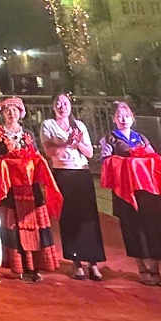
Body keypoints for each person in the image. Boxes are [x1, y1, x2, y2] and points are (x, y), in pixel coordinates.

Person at [99, 101, 161, 286]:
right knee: (134, 229)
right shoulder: (110, 139)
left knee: (154, 226)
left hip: (147, 190)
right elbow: (106, 161)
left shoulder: (141, 138)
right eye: (119, 116)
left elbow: (153, 158)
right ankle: (142, 268)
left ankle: (155, 268)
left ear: (132, 118)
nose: (123, 119)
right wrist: (127, 163)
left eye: (126, 116)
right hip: (126, 190)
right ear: (114, 119)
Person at [0, 95, 62, 281]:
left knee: (34, 224)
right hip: (10, 187)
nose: (11, 113)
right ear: (2, 113)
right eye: (8, 110)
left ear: (20, 113)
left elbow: (35, 155)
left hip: (30, 187)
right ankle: (20, 266)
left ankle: (35, 266)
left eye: (15, 110)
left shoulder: (27, 133)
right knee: (14, 226)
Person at [40, 92, 105, 281]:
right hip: (63, 173)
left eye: (65, 103)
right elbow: (50, 152)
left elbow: (89, 152)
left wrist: (77, 144)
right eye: (58, 103)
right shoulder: (48, 125)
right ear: (53, 106)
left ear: (70, 106)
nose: (62, 107)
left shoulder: (79, 125)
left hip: (82, 172)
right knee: (69, 217)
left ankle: (93, 262)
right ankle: (76, 262)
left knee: (89, 218)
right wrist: (67, 143)